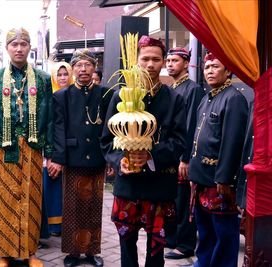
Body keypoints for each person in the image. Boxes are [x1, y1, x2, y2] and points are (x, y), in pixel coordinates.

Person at [101, 36, 187, 267]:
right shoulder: (121, 95)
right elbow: (106, 140)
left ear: (163, 62)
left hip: (159, 184)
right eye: (145, 59)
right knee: (126, 242)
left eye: (156, 59)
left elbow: (180, 141)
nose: (150, 64)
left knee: (156, 245)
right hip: (128, 184)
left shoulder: (174, 99)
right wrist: (120, 160)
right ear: (136, 61)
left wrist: (150, 155)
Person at [0, 27, 53, 267]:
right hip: (4, 148)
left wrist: (50, 154)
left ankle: (31, 253)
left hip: (32, 148)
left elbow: (49, 118)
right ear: (7, 48)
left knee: (31, 200)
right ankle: (4, 254)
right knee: (5, 200)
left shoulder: (42, 79)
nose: (19, 48)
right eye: (14, 44)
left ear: (30, 48)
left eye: (23, 44)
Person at [49, 50, 113, 267]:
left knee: (95, 206)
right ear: (72, 69)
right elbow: (58, 128)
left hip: (97, 157)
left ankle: (92, 251)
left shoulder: (106, 94)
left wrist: (111, 158)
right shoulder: (62, 96)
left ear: (94, 68)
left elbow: (110, 127)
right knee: (73, 208)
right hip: (73, 158)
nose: (83, 69)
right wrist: (58, 158)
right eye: (79, 65)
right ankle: (73, 253)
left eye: (87, 65)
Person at [189, 52, 248, 267]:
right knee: (205, 231)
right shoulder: (207, 98)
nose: (210, 71)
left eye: (215, 66)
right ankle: (203, 263)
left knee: (223, 233)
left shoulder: (234, 98)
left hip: (219, 181)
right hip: (202, 178)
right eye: (207, 68)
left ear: (228, 70)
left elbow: (232, 142)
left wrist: (224, 179)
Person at [164, 47, 205, 259]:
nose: (170, 64)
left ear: (186, 63)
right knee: (172, 201)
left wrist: (185, 158)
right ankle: (171, 239)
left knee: (183, 202)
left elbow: (191, 126)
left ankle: (185, 245)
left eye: (175, 61)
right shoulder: (173, 88)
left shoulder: (193, 89)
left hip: (183, 156)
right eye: (168, 60)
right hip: (171, 155)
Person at [42, 62, 73, 237]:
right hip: (53, 148)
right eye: (59, 74)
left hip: (72, 148)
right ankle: (54, 226)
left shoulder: (75, 95)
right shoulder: (48, 96)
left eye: (65, 74)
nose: (62, 78)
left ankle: (68, 224)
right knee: (53, 187)